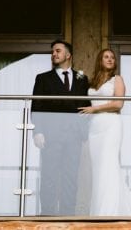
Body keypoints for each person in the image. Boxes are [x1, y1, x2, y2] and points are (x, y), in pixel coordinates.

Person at [78, 48, 131, 216]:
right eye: (106, 57)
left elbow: (118, 104)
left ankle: (108, 211)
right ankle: (99, 209)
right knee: (98, 168)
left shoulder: (117, 79)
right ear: (100, 60)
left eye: (112, 57)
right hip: (94, 127)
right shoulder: (93, 82)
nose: (110, 59)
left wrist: (95, 108)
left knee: (109, 165)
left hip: (111, 124)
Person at [31, 39, 90, 215]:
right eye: (53, 52)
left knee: (71, 177)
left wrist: (84, 132)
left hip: (74, 136)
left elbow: (85, 106)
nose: (54, 54)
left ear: (68, 55)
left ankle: (68, 216)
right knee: (49, 176)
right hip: (51, 135)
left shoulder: (82, 78)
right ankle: (47, 215)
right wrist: (38, 132)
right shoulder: (42, 78)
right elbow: (37, 106)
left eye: (57, 51)